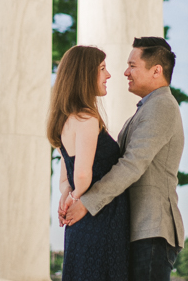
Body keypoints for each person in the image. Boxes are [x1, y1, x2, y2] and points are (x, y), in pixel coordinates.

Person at [61, 36, 185, 281]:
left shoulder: (161, 107)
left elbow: (131, 164)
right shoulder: (143, 110)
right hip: (134, 229)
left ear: (156, 70)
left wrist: (86, 202)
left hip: (151, 230)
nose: (125, 72)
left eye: (132, 65)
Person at [47, 45, 130, 281]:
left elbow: (66, 179)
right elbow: (82, 176)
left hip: (80, 226)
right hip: (101, 222)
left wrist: (67, 196)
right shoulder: (87, 119)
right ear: (85, 75)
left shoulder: (63, 121)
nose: (109, 75)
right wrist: (76, 200)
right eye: (102, 69)